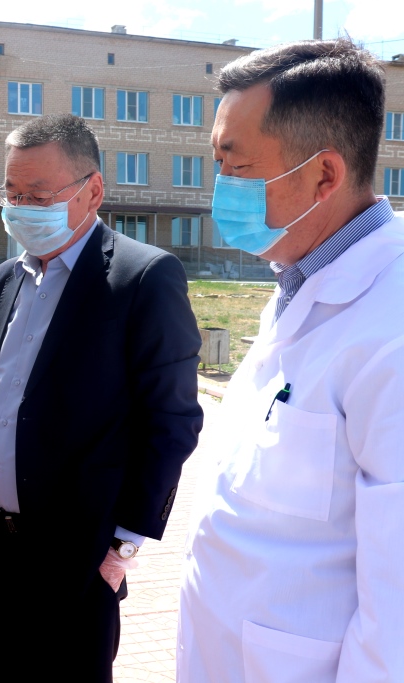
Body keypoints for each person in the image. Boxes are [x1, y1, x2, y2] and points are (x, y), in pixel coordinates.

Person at [0, 113, 204, 682]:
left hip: (80, 556)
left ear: (93, 190)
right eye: (11, 193)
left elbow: (171, 421)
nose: (20, 207)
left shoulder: (142, 278)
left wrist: (124, 546)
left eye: (38, 195)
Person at [178, 38, 404, 682]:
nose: (221, 186)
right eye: (217, 162)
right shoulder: (300, 283)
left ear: (324, 175)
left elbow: (397, 618)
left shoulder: (391, 327)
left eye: (237, 165)